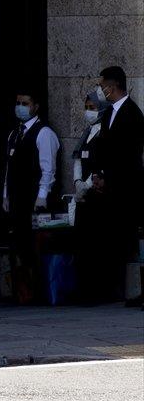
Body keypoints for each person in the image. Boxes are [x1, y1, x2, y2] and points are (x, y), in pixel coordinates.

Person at [1, 90, 60, 303]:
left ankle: (38, 289)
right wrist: (6, 195)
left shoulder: (43, 133)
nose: (20, 106)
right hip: (17, 199)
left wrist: (42, 195)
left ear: (35, 106)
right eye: (18, 102)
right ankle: (24, 289)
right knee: (20, 245)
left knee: (34, 247)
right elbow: (9, 168)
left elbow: (48, 168)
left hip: (34, 200)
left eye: (25, 103)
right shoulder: (14, 134)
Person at [92, 66, 144, 303]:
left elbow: (128, 155)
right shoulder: (109, 113)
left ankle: (127, 289)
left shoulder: (132, 114)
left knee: (126, 238)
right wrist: (98, 174)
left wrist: (109, 178)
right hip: (110, 185)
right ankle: (109, 287)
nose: (100, 90)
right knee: (111, 237)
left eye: (102, 85)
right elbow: (104, 149)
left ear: (111, 87)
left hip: (125, 186)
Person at [72, 88, 112, 302]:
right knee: (83, 245)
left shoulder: (105, 132)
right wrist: (78, 183)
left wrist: (87, 185)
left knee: (96, 246)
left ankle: (97, 291)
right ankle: (83, 289)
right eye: (86, 108)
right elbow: (78, 157)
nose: (88, 112)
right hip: (84, 197)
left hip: (97, 195)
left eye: (93, 108)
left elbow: (104, 164)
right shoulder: (87, 132)